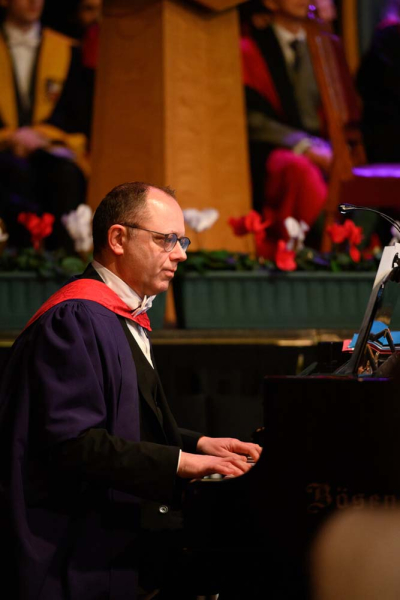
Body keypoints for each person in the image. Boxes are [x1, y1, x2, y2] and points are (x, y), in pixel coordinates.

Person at [0, 181, 262, 599]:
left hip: (114, 540)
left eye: (182, 241)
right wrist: (182, 463)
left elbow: (123, 424)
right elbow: (72, 443)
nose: (181, 254)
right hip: (72, 552)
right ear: (118, 239)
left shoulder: (119, 314)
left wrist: (199, 444)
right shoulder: (75, 319)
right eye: (166, 239)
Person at [240, 0, 334, 257]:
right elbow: (250, 117)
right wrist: (303, 145)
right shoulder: (250, 48)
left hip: (325, 145)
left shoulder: (323, 47)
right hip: (270, 146)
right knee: (299, 171)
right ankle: (317, 253)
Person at [0, 0, 92, 247]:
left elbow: (78, 116)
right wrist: (10, 137)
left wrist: (39, 135)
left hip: (50, 147)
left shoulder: (66, 49)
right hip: (4, 150)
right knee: (13, 175)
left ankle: (64, 264)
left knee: (66, 176)